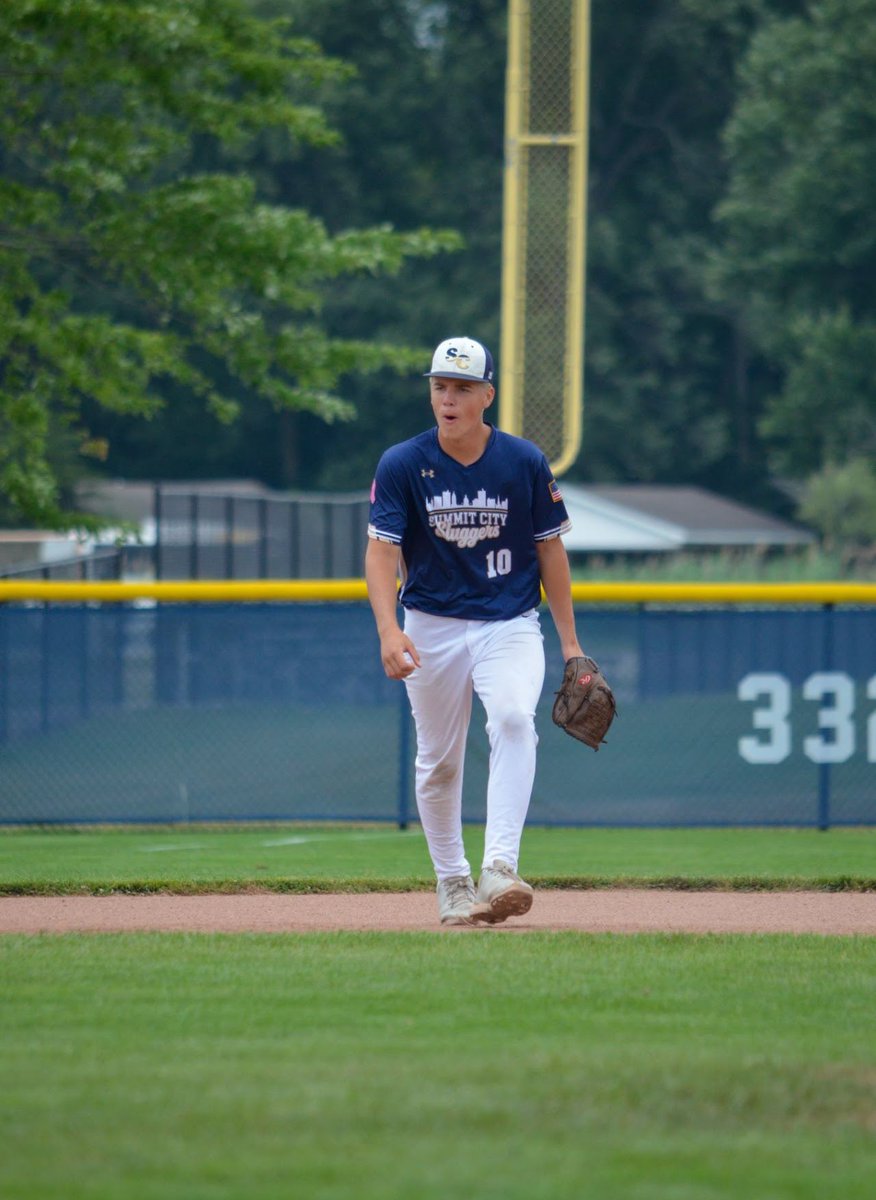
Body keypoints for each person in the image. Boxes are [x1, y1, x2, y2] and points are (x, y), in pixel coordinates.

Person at [365, 336, 584, 926]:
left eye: (463, 387)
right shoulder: (404, 463)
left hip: (508, 622)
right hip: (430, 625)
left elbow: (551, 552)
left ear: (487, 394)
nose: (449, 398)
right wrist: (389, 630)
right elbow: (381, 552)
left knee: (514, 717)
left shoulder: (523, 461)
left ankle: (500, 867)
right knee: (439, 761)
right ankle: (453, 883)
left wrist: (569, 643)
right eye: (440, 386)